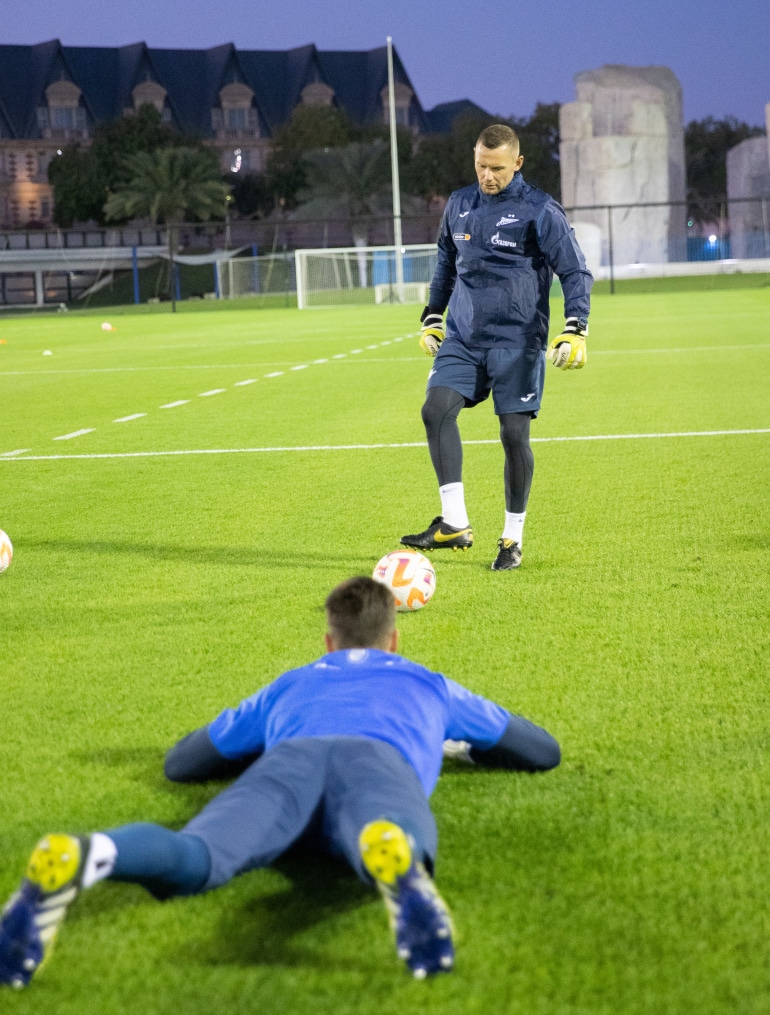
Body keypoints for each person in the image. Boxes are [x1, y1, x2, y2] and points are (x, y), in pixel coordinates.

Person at [0, 576, 560, 987]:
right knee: (387, 830)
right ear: (393, 641)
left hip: (288, 763)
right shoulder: (429, 683)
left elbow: (183, 763)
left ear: (328, 642)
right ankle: (394, 859)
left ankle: (95, 851)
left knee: (196, 854)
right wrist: (461, 744)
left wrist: (262, 747)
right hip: (379, 762)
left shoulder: (288, 686)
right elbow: (540, 751)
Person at [401, 123, 593, 570]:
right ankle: (454, 524)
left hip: (518, 341)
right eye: (481, 166)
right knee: (436, 410)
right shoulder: (460, 204)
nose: (488, 176)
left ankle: (512, 538)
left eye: (498, 169)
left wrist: (575, 326)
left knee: (513, 436)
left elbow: (575, 271)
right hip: (464, 338)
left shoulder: (540, 209)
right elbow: (446, 262)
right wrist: (432, 315)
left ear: (518, 163)